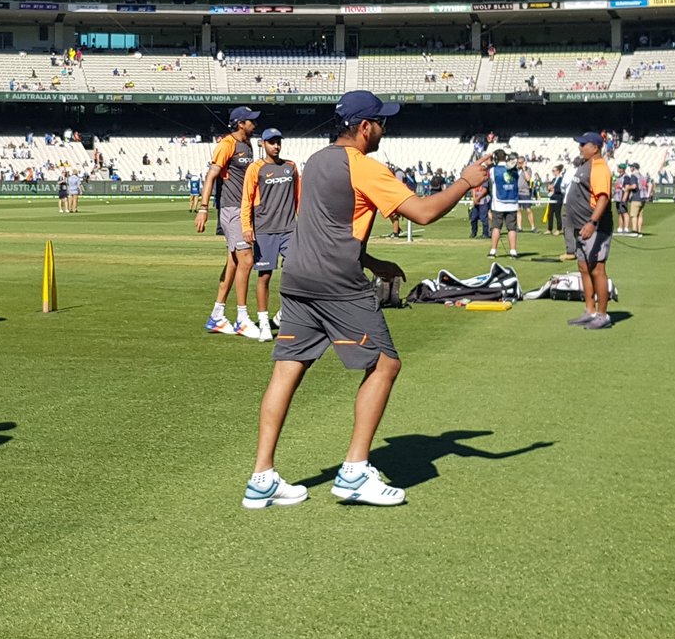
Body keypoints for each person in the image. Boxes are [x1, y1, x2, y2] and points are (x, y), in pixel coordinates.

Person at [242, 91, 490, 510]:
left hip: (299, 276)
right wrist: (466, 181)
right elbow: (425, 212)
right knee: (385, 364)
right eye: (381, 122)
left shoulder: (317, 160)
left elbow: (328, 225)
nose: (384, 129)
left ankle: (261, 478)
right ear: (364, 127)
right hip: (337, 281)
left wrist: (373, 259)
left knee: (287, 370)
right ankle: (355, 472)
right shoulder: (365, 167)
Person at [196, 106, 261, 336]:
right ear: (240, 123)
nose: (255, 124)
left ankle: (217, 315)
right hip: (232, 209)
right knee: (247, 260)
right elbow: (211, 176)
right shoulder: (227, 145)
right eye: (251, 121)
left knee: (234, 262)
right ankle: (242, 318)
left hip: (244, 209)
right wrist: (203, 208)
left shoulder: (248, 144)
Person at [238, 128, 298, 343]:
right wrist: (247, 227)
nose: (276, 146)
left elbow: (298, 197)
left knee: (297, 272)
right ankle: (264, 322)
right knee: (264, 276)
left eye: (278, 142)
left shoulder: (290, 167)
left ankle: (284, 315)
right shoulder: (256, 168)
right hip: (264, 230)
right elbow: (247, 199)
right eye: (271, 142)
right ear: (262, 144)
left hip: (290, 229)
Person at [563, 133, 616, 330]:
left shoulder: (600, 167)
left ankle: (602, 315)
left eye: (583, 144)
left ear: (595, 147)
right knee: (584, 268)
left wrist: (593, 222)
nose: (580, 147)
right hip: (581, 227)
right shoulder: (586, 165)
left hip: (594, 227)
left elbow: (603, 198)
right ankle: (590, 310)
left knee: (597, 269)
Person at [487, 150, 520, 258]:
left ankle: (493, 250)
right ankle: (513, 251)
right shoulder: (514, 170)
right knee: (512, 228)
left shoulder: (493, 170)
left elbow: (490, 181)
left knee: (496, 227)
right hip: (512, 202)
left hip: (498, 203)